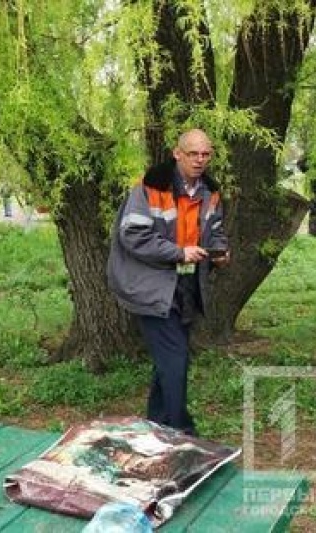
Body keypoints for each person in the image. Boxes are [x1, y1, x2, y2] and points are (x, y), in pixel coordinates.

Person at [107, 129, 229, 435]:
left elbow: (215, 232)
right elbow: (133, 235)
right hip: (150, 288)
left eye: (206, 154)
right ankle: (182, 434)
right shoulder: (150, 188)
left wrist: (219, 251)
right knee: (175, 360)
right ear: (177, 153)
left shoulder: (210, 192)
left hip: (186, 288)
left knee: (168, 362)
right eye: (193, 154)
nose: (200, 160)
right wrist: (179, 252)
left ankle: (157, 428)